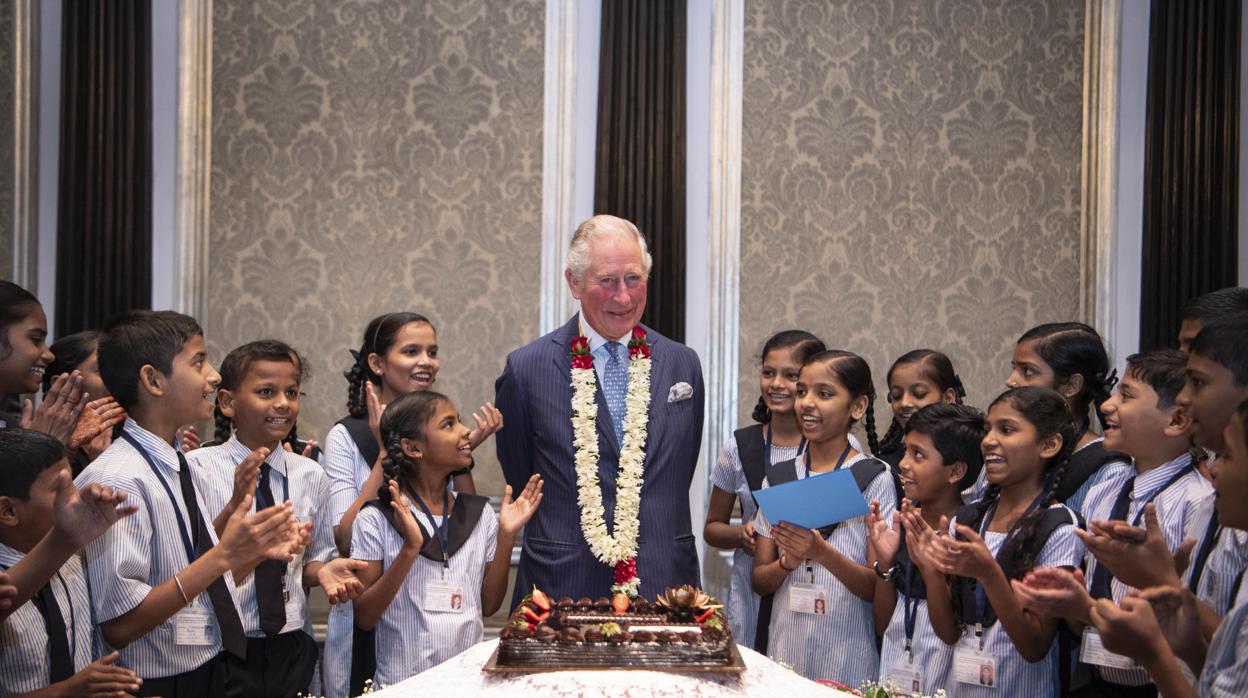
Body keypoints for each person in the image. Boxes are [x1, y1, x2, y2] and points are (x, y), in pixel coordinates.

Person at [78, 310, 301, 697]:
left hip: (203, 665)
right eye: (199, 361)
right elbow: (121, 622)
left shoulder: (176, 463)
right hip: (150, 682)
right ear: (152, 380)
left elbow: (179, 563)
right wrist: (225, 555)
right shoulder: (119, 479)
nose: (214, 376)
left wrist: (237, 527)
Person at [495, 215, 705, 602]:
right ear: (574, 283)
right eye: (607, 280)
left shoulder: (683, 365)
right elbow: (523, 476)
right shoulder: (526, 370)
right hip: (561, 586)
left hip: (664, 582)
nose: (623, 297)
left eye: (634, 279)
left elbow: (679, 467)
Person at [321, 312, 501, 698]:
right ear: (377, 363)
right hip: (377, 609)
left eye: (432, 352)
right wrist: (385, 452)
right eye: (411, 351)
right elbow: (346, 536)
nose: (426, 362)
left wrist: (465, 453)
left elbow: (464, 517)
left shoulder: (439, 429)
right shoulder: (347, 435)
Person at [1015, 349, 1211, 695]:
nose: (1106, 405)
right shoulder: (1106, 490)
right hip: (1096, 680)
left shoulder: (1196, 501)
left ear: (1176, 421)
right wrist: (1075, 604)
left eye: (1127, 396)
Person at [189, 340, 367, 697]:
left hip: (290, 645)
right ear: (227, 402)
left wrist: (324, 571)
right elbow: (191, 562)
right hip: (222, 646)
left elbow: (315, 557)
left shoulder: (310, 475)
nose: (283, 403)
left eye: (292, 392)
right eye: (266, 392)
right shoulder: (199, 470)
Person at [351, 391, 542, 687]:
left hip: (466, 685)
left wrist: (506, 536)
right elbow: (364, 616)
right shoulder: (377, 518)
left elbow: (489, 605)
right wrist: (410, 549)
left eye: (459, 421)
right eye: (448, 424)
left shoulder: (478, 515)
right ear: (413, 448)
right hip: (403, 685)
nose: (466, 432)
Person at [920, 387, 1085, 698]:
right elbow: (948, 633)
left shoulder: (1058, 526)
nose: (989, 441)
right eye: (988, 429)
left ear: (1048, 445)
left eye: (1006, 429)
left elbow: (1034, 645)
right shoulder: (968, 519)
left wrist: (989, 573)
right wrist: (931, 571)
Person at [751, 350, 895, 684]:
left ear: (857, 407)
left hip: (848, 653)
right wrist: (787, 562)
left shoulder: (874, 478)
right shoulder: (779, 477)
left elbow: (877, 588)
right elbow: (759, 581)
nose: (807, 403)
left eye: (824, 394)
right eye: (802, 391)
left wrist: (821, 553)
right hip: (785, 651)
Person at [1087, 399, 1248, 697]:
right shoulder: (1207, 509)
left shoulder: (1194, 497)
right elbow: (1216, 678)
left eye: (1228, 455)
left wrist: (1152, 654)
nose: (1212, 468)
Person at [703, 329, 825, 651]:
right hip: (751, 592)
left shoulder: (833, 448)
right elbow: (712, 528)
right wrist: (741, 535)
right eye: (769, 373)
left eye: (790, 375)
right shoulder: (740, 447)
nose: (776, 384)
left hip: (813, 595)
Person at [0, 428, 144, 696]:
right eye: (59, 489)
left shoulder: (72, 558)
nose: (74, 498)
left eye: (73, 484)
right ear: (8, 511)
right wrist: (70, 691)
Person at [871, 403, 987, 696]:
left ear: (955, 471)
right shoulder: (903, 523)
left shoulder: (967, 534)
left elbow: (950, 634)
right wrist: (885, 566)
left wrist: (931, 570)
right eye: (906, 451)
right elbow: (884, 625)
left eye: (918, 455)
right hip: (896, 671)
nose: (904, 464)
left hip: (946, 677)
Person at [997, 322, 1124, 512]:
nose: (1010, 381)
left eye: (1027, 371)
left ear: (1071, 385)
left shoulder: (1109, 471)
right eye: (1014, 368)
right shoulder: (1004, 448)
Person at [875, 349, 966, 469]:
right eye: (896, 396)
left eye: (919, 394)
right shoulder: (886, 465)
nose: (904, 403)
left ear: (948, 397)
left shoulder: (973, 454)